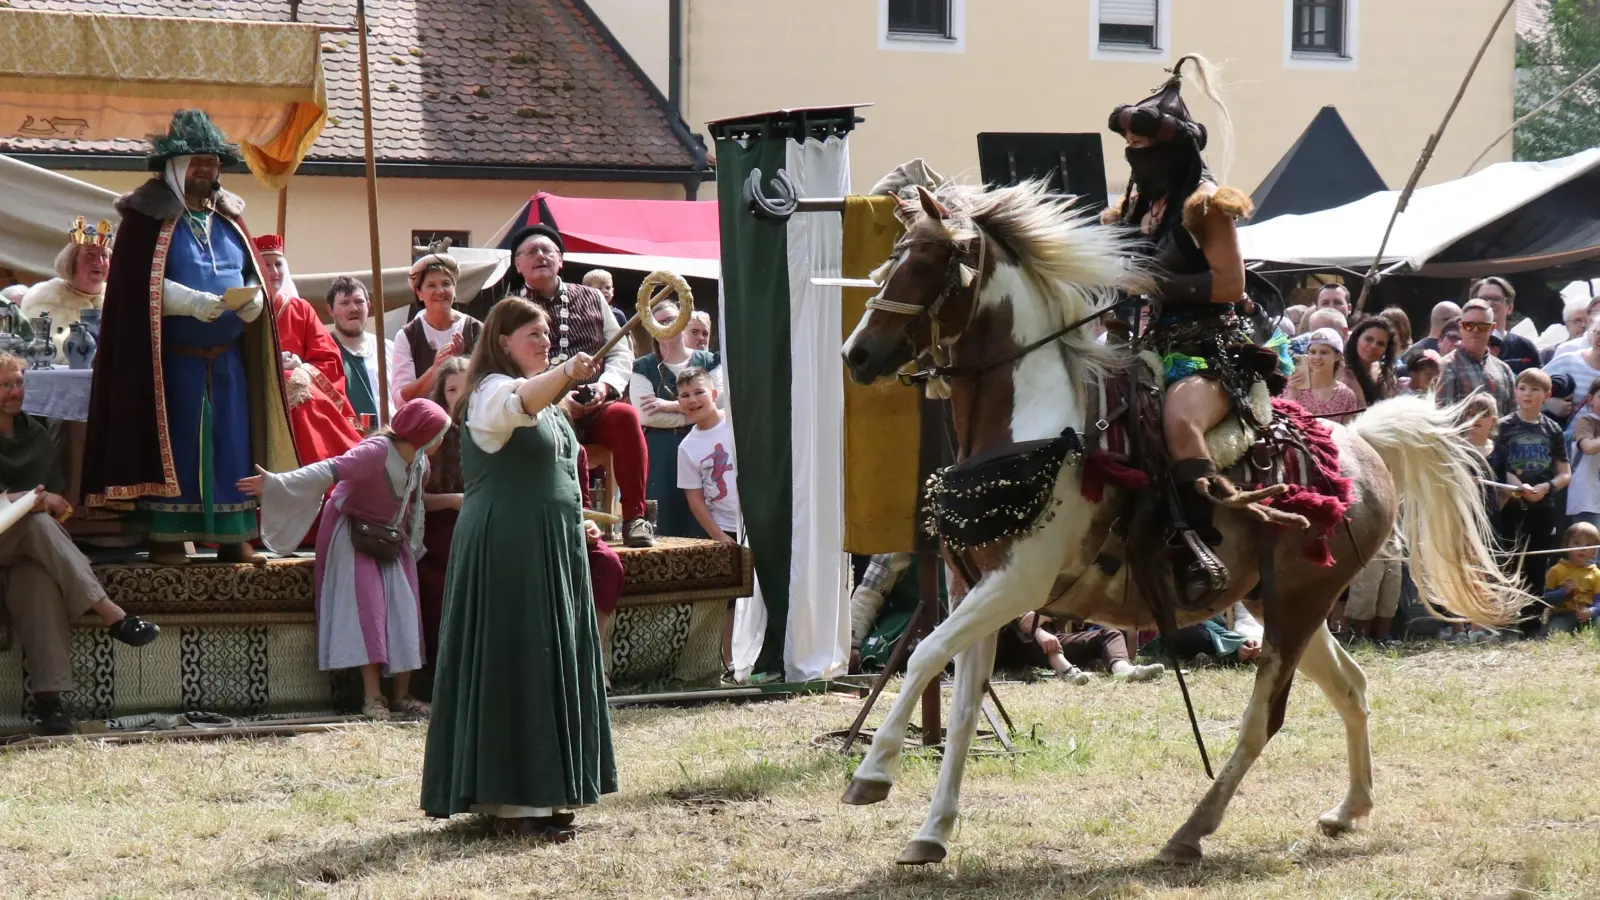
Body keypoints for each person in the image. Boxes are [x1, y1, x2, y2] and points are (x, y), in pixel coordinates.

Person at [421, 297, 615, 840]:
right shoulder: (490, 392)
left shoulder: (547, 399)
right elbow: (518, 404)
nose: (545, 340)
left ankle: (549, 792)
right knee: (518, 658)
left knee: (550, 656)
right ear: (503, 340)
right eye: (534, 333)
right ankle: (512, 802)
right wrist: (566, 371)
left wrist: (576, 520)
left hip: (551, 544)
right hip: (506, 545)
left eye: (548, 332)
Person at [1104, 54, 1289, 600]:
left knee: (1179, 421)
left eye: (1142, 147)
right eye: (1129, 146)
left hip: (1211, 350)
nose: (1133, 155)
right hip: (1142, 345)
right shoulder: (1134, 208)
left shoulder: (1206, 206)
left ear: (1173, 150)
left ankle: (1199, 547)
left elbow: (1230, 285)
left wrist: (1154, 285)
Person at [81, 109, 297, 566]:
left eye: (211, 162)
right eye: (195, 161)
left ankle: (235, 535)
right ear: (173, 166)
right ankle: (168, 537)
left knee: (233, 445)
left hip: (228, 360)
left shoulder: (229, 219)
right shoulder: (144, 219)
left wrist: (254, 298)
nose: (204, 169)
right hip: (172, 363)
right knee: (178, 448)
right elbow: (135, 285)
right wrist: (189, 302)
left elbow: (249, 270)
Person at [242, 399, 449, 720]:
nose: (441, 441)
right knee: (368, 610)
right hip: (353, 534)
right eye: (439, 434)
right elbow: (328, 470)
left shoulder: (421, 465)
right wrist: (275, 483)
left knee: (404, 611)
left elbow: (412, 506)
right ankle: (373, 697)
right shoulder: (375, 452)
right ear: (423, 434)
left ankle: (402, 695)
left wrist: (446, 509)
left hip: (391, 539)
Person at [0, 352, 160, 734]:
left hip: (26, 543)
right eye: (5, 385)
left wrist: (49, 502)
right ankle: (112, 614)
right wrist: (18, 498)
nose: (15, 392)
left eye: (19, 383)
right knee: (36, 524)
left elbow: (59, 508)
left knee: (38, 580)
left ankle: (49, 703)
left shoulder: (35, 434)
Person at [503, 223, 653, 547]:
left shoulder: (593, 298)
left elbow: (620, 351)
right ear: (518, 264)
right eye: (531, 252)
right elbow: (503, 369)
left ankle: (635, 519)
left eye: (547, 250)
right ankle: (578, 525)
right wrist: (551, 401)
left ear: (561, 259)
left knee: (626, 417)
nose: (540, 256)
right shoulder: (508, 310)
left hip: (595, 405)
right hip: (540, 414)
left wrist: (605, 387)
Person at [254, 235, 362, 465]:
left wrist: (301, 368)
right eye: (267, 264)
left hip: (300, 402)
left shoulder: (300, 309)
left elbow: (329, 359)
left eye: (278, 264)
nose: (274, 271)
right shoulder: (245, 311)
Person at [631, 298, 725, 537]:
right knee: (666, 518)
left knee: (708, 514)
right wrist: (697, 415)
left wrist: (670, 405)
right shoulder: (642, 367)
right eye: (660, 321)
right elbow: (647, 416)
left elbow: (721, 400)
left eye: (672, 319)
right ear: (651, 327)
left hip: (707, 447)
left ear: (683, 322)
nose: (667, 325)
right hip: (662, 450)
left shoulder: (709, 361)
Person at [1495, 367, 1571, 637]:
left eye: (1534, 389)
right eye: (1522, 388)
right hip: (1510, 505)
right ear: (1515, 392)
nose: (1527, 394)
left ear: (1546, 396)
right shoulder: (1502, 426)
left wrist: (1546, 487)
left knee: (1536, 565)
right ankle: (1503, 622)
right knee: (1506, 561)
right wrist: (1516, 484)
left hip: (1542, 507)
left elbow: (1564, 473)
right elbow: (1496, 465)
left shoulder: (1553, 429)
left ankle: (1531, 624)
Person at [418, 356, 470, 671]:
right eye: (452, 390)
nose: (460, 397)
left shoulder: (489, 431)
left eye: (467, 389)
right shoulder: (431, 438)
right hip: (438, 529)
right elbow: (413, 498)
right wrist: (453, 501)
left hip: (476, 526)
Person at [391, 253, 482, 410]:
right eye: (431, 285)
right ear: (419, 293)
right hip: (425, 422)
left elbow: (487, 385)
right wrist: (435, 370)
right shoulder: (407, 336)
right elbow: (400, 400)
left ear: (455, 288)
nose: (440, 291)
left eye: (446, 283)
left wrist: (460, 363)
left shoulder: (476, 329)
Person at [21, 217, 112, 363]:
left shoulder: (118, 298)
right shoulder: (43, 299)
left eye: (104, 256)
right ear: (71, 260)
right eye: (90, 254)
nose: (98, 262)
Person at [1004, 612, 1164, 684]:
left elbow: (1068, 609)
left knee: (1111, 634)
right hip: (1015, 645)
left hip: (1054, 641)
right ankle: (1066, 670)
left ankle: (1123, 669)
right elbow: (1018, 620)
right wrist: (1038, 632)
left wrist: (1046, 615)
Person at [327, 276, 392, 428]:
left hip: (390, 438)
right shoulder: (324, 353)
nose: (353, 309)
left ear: (368, 306)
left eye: (359, 301)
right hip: (345, 438)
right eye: (345, 303)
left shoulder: (388, 349)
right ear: (331, 310)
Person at [1437, 299, 1514, 414]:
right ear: (1461, 326)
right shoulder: (1446, 367)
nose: (1475, 330)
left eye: (1482, 326)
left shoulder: (1504, 370)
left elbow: (1512, 415)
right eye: (1469, 325)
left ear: (1492, 328)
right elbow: (1442, 417)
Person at [1288, 328, 1360, 422]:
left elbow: (1347, 429)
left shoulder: (1346, 395)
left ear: (1337, 356)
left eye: (1324, 352)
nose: (1317, 357)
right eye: (1313, 352)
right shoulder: (1294, 385)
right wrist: (1292, 392)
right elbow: (1283, 418)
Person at [1541, 522, 1600, 635]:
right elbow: (1546, 599)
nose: (1582, 548)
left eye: (1588, 545)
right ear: (1566, 546)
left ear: (1594, 551)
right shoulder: (1556, 570)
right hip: (1563, 615)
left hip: (1589, 615)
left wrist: (1591, 611)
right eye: (1577, 543)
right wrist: (1563, 592)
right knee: (1554, 633)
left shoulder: (1597, 574)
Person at [1474, 277, 1541, 374]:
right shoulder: (1465, 346)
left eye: (1496, 299)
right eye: (1483, 299)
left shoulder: (1525, 347)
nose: (1489, 303)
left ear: (1510, 308)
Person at [1541, 322, 1600, 423]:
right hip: (1565, 432)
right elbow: (1524, 392)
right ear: (1592, 333)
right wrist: (1548, 404)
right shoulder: (1567, 361)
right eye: (1599, 333)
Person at [1342, 316, 1399, 411]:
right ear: (1357, 338)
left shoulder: (1386, 374)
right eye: (1369, 339)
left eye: (1380, 344)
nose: (1373, 346)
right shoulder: (1341, 371)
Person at [1566, 378, 1600, 529]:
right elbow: (1588, 447)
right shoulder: (1586, 421)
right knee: (1588, 541)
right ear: (1590, 399)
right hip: (1587, 498)